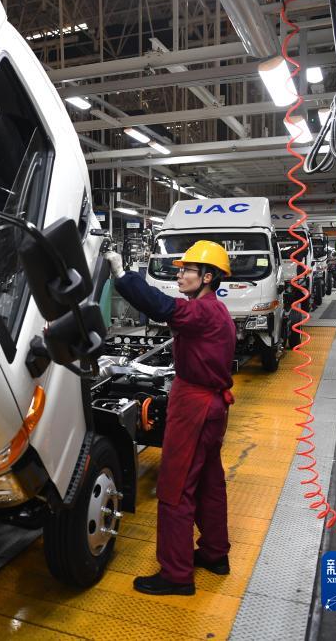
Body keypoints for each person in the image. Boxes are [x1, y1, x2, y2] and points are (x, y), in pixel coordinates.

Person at [104, 241, 236, 596]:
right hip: (211, 407)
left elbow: (162, 307)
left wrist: (122, 274)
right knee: (209, 482)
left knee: (175, 487)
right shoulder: (215, 309)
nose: (180, 275)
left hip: (194, 407)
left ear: (207, 277)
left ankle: (176, 574)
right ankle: (215, 554)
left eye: (187, 270)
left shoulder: (203, 311)